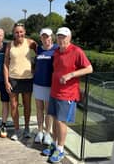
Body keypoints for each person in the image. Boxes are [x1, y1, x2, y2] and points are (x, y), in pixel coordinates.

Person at [42, 27, 93, 163]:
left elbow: (89, 68)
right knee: (53, 118)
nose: (61, 39)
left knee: (61, 121)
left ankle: (60, 149)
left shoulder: (77, 51)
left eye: (64, 37)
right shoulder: (57, 51)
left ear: (69, 38)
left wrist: (71, 75)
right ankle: (54, 144)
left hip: (67, 94)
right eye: (59, 36)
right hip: (54, 91)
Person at [4, 23, 37, 141]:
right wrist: (6, 81)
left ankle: (27, 128)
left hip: (27, 79)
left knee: (27, 105)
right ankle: (17, 130)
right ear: (14, 33)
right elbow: (6, 64)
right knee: (13, 105)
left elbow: (42, 54)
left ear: (24, 32)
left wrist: (34, 67)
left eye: (21, 32)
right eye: (17, 32)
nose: (19, 34)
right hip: (13, 79)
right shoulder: (9, 45)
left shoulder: (30, 43)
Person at [33, 28, 58, 145]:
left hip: (50, 85)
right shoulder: (38, 49)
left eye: (47, 36)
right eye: (43, 37)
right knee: (39, 109)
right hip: (38, 83)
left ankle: (48, 133)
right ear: (41, 38)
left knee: (48, 110)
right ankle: (40, 131)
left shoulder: (56, 49)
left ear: (51, 37)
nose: (46, 39)